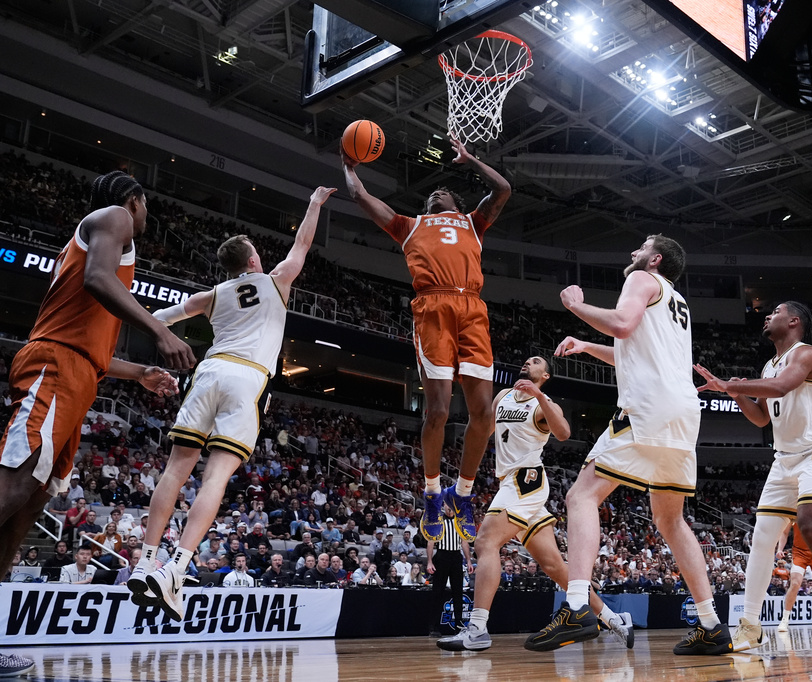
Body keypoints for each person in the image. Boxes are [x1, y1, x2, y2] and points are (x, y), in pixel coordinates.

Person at [0, 171, 191, 678]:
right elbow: (97, 280)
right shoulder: (114, 218)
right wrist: (157, 332)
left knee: (25, 510)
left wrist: (139, 374)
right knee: (13, 485)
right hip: (55, 366)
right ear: (134, 201)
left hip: (79, 372)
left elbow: (95, 346)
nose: (147, 217)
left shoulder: (112, 239)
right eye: (146, 205)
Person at [134, 186, 336, 620]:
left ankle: (145, 561)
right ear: (252, 261)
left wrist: (143, 336)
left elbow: (160, 319)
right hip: (248, 379)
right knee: (215, 479)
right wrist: (315, 203)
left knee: (174, 469)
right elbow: (302, 243)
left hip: (208, 372)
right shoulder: (277, 281)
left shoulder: (213, 295)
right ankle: (176, 569)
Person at [525, 235, 731, 655]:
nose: (632, 253)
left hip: (648, 408)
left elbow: (621, 324)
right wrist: (586, 346)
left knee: (581, 495)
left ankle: (578, 606)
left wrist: (575, 305)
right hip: (684, 414)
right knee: (671, 521)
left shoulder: (641, 278)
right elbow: (631, 350)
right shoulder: (677, 303)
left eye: (641, 248)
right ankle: (711, 625)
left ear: (654, 259)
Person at [342, 135, 512, 544]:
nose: (437, 191)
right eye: (432, 192)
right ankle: (433, 492)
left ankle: (464, 494)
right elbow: (360, 195)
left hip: (472, 309)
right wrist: (348, 163)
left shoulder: (475, 221)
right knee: (436, 411)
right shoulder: (409, 225)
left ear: (454, 203)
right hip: (432, 309)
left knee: (483, 414)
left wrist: (471, 159)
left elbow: (503, 189)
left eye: (444, 190)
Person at [694, 300, 812, 653]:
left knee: (809, 526)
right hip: (783, 460)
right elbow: (762, 419)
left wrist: (733, 385)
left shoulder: (805, 354)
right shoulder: (769, 364)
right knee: (761, 540)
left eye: (774, 312)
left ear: (793, 321)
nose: (766, 316)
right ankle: (750, 626)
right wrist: (736, 392)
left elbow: (780, 388)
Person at [439, 356, 633, 652]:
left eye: (536, 362)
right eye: (527, 360)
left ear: (545, 375)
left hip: (526, 480)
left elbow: (564, 433)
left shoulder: (544, 403)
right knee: (555, 565)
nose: (528, 362)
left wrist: (540, 395)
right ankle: (614, 618)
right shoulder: (503, 396)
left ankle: (477, 628)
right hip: (509, 481)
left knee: (485, 542)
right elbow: (484, 431)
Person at [778, 520, 812, 632]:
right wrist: (780, 549)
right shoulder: (794, 512)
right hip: (799, 554)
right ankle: (785, 619)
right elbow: (784, 533)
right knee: (795, 584)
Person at [428, 504, 474, 637]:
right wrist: (430, 561)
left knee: (458, 592)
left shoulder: (459, 521)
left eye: (451, 505)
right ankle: (434, 627)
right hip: (441, 555)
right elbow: (431, 542)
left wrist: (469, 560)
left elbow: (464, 542)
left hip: (455, 557)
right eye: (447, 505)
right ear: (444, 506)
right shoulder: (438, 521)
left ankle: (459, 626)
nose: (449, 508)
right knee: (438, 592)